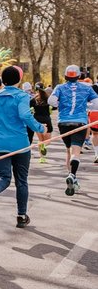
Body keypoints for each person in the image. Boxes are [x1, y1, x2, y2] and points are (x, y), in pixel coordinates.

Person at [0, 66, 45, 227]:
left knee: (4, 178)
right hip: (20, 144)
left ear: (3, 80)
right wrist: (40, 128)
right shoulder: (21, 96)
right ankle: (21, 216)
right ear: (19, 80)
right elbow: (24, 115)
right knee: (21, 180)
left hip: (0, 144)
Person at [48, 65, 98, 196]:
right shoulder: (87, 88)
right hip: (79, 122)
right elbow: (97, 104)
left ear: (66, 76)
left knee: (68, 150)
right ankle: (72, 175)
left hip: (63, 122)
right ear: (79, 76)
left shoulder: (60, 87)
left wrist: (60, 105)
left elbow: (51, 101)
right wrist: (87, 105)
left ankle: (72, 177)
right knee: (76, 151)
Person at [31, 84, 53, 164]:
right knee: (48, 141)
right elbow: (54, 106)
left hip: (37, 120)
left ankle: (42, 158)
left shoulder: (33, 99)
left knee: (40, 140)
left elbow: (28, 107)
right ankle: (44, 145)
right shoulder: (47, 98)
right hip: (46, 120)